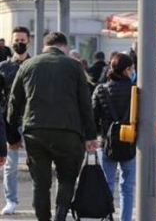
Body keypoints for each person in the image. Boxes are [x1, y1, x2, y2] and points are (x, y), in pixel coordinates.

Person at [7, 31, 97, 221]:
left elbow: (14, 102)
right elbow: (85, 103)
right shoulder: (74, 66)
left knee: (40, 184)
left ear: (44, 47)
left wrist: (12, 136)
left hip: (35, 131)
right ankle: (61, 216)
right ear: (64, 46)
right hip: (69, 132)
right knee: (67, 179)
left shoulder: (28, 65)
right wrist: (90, 135)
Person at [92, 53, 136, 221]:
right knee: (128, 186)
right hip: (129, 141)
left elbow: (92, 116)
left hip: (106, 142)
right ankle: (126, 218)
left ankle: (106, 217)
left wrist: (98, 135)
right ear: (126, 70)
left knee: (107, 184)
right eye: (131, 68)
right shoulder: (135, 90)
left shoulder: (100, 89)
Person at [0, 27, 31, 215]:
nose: (19, 42)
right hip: (9, 121)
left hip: (31, 120)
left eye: (22, 39)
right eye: (16, 39)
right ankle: (11, 200)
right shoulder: (3, 67)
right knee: (10, 165)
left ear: (28, 41)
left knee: (36, 163)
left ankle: (38, 200)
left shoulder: (35, 64)